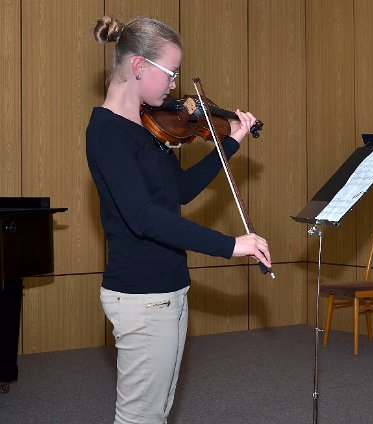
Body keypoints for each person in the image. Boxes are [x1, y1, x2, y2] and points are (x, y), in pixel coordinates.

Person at [86, 16, 271, 424]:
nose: (174, 88)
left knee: (158, 411)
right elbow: (142, 217)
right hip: (142, 295)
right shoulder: (108, 132)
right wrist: (230, 245)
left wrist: (230, 142)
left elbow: (180, 192)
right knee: (140, 416)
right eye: (170, 74)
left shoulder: (148, 129)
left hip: (169, 289)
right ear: (138, 68)